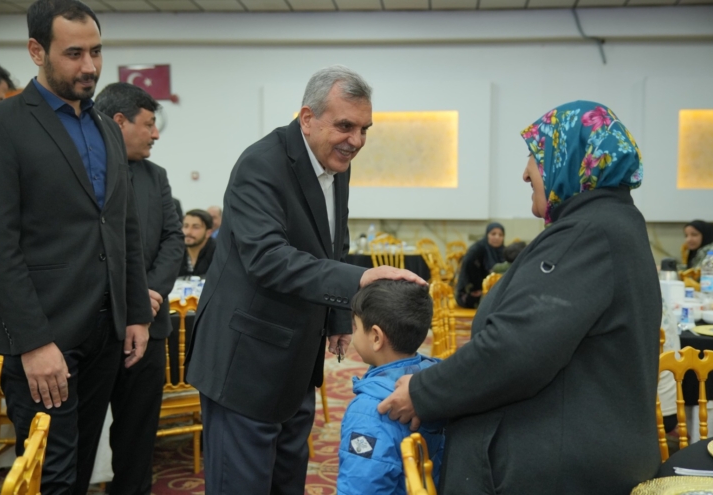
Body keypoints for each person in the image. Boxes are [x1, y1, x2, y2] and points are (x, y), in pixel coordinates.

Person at [378, 101, 662, 494]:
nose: (526, 172)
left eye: (536, 156)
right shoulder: (608, 224)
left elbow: (514, 350)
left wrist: (424, 392)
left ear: (571, 159)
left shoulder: (588, 234)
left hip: (559, 468)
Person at [185, 65, 425, 495]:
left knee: (287, 481)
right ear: (307, 118)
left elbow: (332, 242)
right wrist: (362, 278)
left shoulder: (335, 161)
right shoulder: (260, 165)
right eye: (345, 126)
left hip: (297, 359)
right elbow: (268, 259)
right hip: (246, 362)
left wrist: (336, 318)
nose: (357, 141)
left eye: (364, 129)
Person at [0, 1, 153, 493]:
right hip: (45, 336)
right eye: (74, 53)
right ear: (37, 51)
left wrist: (136, 311)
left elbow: (123, 228)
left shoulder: (105, 128)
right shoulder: (0, 127)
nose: (90, 67)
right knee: (50, 477)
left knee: (78, 468)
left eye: (96, 52)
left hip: (105, 332)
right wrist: (34, 343)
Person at [94, 82, 184, 495]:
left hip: (151, 325)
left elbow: (173, 241)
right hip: (94, 326)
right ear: (119, 122)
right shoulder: (84, 170)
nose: (156, 133)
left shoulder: (156, 176)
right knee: (78, 435)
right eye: (149, 124)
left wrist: (148, 293)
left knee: (137, 435)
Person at [337, 280, 444, 495]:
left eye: (355, 326)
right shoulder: (436, 382)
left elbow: (360, 487)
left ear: (376, 337)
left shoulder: (370, 411)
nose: (352, 332)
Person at [455, 222, 505, 308]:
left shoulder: (503, 251)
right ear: (487, 235)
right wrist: (477, 288)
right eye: (493, 234)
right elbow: (469, 268)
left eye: (500, 235)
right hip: (472, 293)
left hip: (493, 292)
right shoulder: (477, 250)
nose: (497, 237)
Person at [179, 209, 216, 277]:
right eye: (186, 226)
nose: (188, 232)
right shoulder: (175, 250)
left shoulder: (218, 252)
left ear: (208, 233)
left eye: (195, 227)